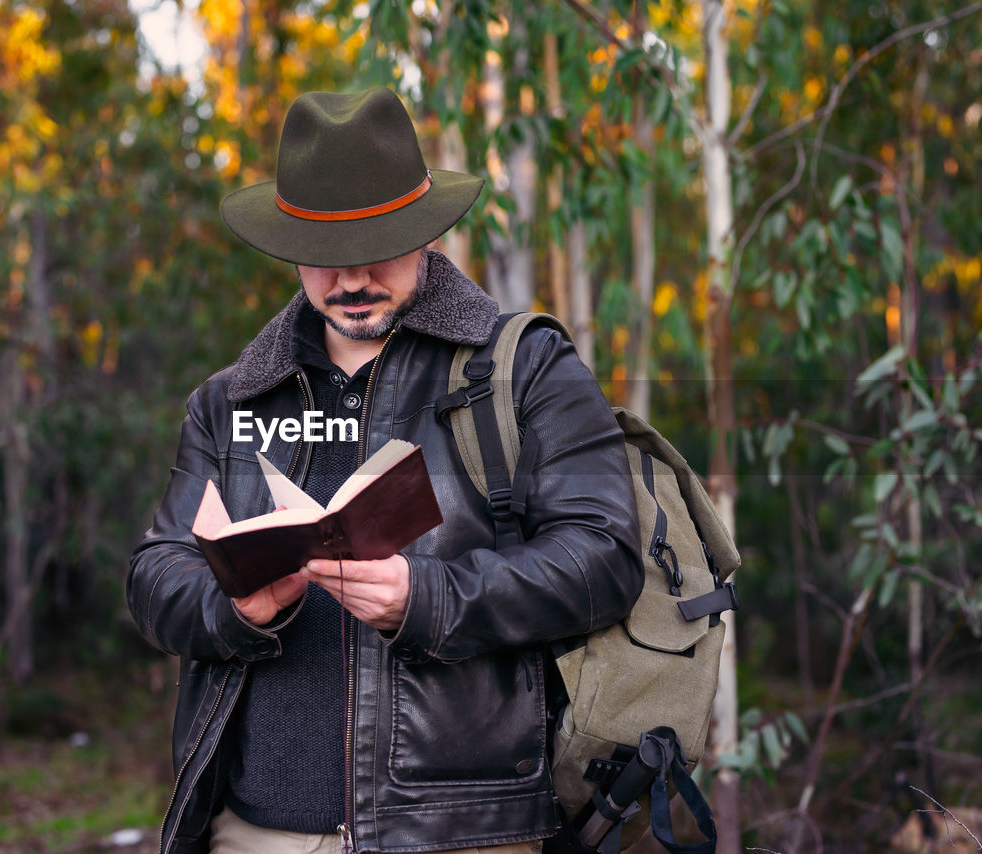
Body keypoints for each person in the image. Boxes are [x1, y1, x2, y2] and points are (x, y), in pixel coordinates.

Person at [127, 87, 643, 854]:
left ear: (425, 233)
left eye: (380, 245)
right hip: (253, 833)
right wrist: (235, 607)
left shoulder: (523, 366)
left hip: (458, 834)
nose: (351, 278)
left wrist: (428, 597)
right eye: (327, 256)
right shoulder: (228, 400)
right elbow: (154, 577)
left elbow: (606, 556)